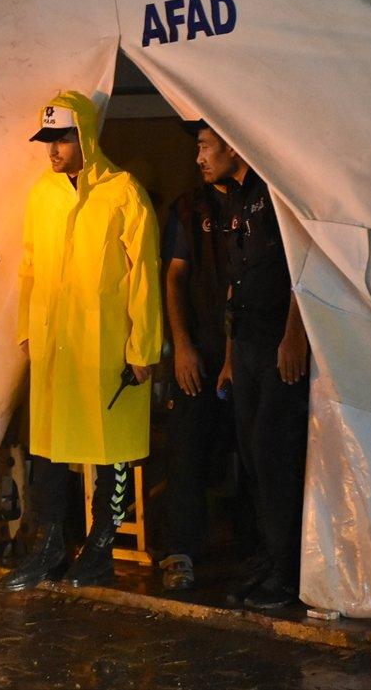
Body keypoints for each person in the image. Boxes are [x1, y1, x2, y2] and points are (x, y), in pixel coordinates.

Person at [0, 91, 162, 591]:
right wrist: (27, 329)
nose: (53, 150)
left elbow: (144, 273)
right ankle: (50, 545)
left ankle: (100, 547)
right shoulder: (42, 195)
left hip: (109, 346)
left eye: (63, 139)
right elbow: (29, 267)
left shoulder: (122, 193)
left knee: (111, 450)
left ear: (86, 137)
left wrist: (143, 348)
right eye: (47, 140)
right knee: (48, 448)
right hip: (57, 346)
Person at [209, 124, 311, 610]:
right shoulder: (234, 200)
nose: (199, 158)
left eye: (205, 146)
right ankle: (270, 560)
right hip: (247, 344)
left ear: (232, 145)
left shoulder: (274, 190)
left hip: (276, 343)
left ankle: (289, 572)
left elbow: (301, 267)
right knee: (251, 455)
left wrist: (295, 334)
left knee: (275, 455)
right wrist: (229, 358)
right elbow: (235, 285)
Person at [157, 120, 244, 592]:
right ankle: (181, 551)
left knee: (250, 452)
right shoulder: (190, 207)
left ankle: (255, 556)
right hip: (200, 347)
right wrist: (182, 346)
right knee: (186, 447)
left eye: (206, 147)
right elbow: (174, 276)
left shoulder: (258, 201)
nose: (199, 158)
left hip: (246, 348)